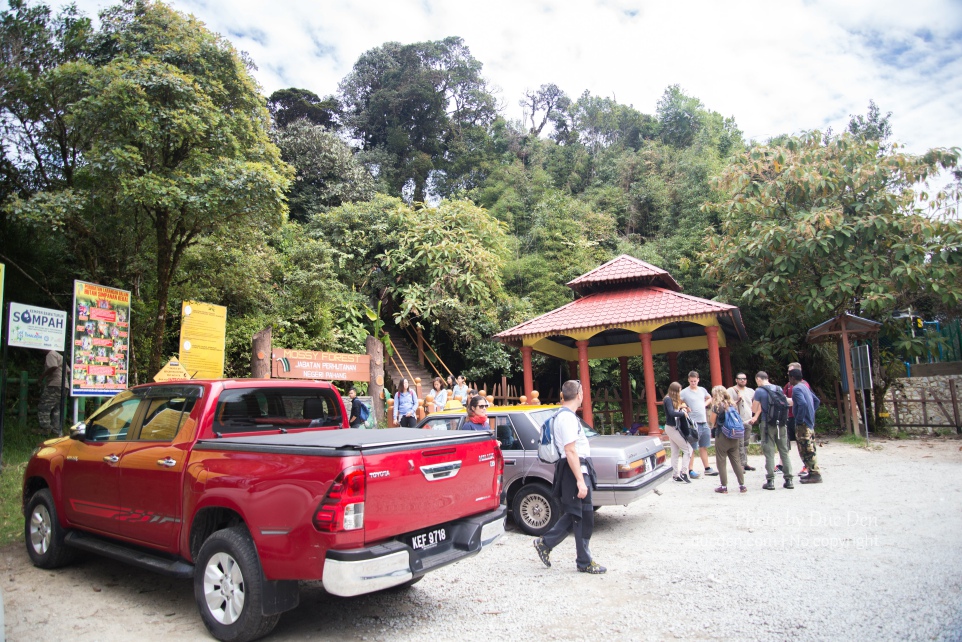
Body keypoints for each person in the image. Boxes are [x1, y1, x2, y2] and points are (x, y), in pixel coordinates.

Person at [533, 380, 606, 574]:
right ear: (579, 395)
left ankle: (546, 544)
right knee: (583, 514)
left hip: (575, 468)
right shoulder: (567, 418)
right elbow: (570, 450)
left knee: (578, 513)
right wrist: (580, 481)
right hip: (574, 469)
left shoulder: (565, 416)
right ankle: (583, 561)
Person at [750, 371, 794, 490]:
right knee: (784, 451)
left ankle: (770, 481)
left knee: (769, 452)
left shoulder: (759, 391)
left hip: (767, 424)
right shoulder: (778, 388)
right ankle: (789, 480)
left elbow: (754, 409)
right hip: (781, 423)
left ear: (758, 379)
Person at [709, 386, 746, 494]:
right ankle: (742, 485)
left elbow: (712, 421)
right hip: (734, 435)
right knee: (736, 460)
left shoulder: (717, 406)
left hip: (722, 435)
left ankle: (724, 486)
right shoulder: (732, 404)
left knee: (721, 460)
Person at [789, 369, 823, 484]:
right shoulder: (804, 386)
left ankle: (815, 474)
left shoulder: (797, 388)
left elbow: (802, 404)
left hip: (803, 425)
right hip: (810, 423)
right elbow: (816, 401)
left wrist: (799, 419)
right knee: (810, 447)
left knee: (805, 449)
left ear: (792, 378)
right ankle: (811, 472)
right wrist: (811, 413)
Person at [680, 371, 716, 477]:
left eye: (695, 381)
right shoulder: (684, 392)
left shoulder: (702, 390)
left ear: (698, 380)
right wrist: (685, 406)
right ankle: (690, 469)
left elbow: (709, 397)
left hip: (703, 421)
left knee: (703, 445)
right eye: (691, 381)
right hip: (692, 423)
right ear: (688, 380)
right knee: (692, 447)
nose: (693, 383)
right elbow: (676, 401)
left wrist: (705, 404)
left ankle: (707, 467)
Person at [778, 362, 809, 477]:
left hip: (798, 417)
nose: (788, 374)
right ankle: (781, 464)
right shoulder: (788, 385)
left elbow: (803, 402)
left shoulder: (803, 385)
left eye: (790, 372)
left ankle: (807, 465)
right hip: (788, 416)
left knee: (803, 442)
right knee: (785, 441)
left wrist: (801, 418)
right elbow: (783, 398)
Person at [663, 382, 693, 483]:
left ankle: (675, 474)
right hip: (672, 427)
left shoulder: (673, 400)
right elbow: (671, 413)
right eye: (679, 391)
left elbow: (675, 410)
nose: (680, 393)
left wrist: (682, 408)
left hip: (673, 427)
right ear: (675, 391)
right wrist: (683, 414)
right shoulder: (668, 399)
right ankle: (683, 472)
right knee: (688, 449)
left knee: (675, 451)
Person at [727, 373, 756, 472]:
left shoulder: (750, 391)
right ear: (736, 380)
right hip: (737, 421)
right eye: (740, 379)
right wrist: (737, 400)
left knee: (746, 443)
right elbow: (727, 404)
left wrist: (755, 416)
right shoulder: (731, 390)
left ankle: (744, 462)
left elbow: (756, 404)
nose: (742, 380)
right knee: (739, 444)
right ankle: (740, 464)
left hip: (748, 420)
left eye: (744, 379)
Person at [37, 350, 68, 436]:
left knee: (44, 406)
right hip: (64, 385)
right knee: (57, 409)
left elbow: (53, 366)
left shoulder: (51, 354)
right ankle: (56, 430)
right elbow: (68, 370)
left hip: (55, 384)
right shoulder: (60, 356)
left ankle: (45, 428)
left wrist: (42, 376)